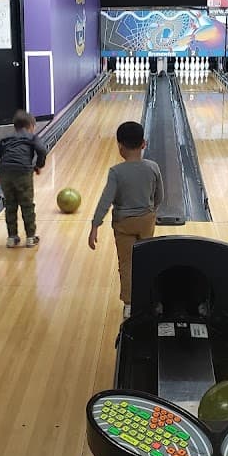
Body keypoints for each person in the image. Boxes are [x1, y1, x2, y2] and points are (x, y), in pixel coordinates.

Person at [88, 121, 164, 317]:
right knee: (147, 259)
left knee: (126, 263)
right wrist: (151, 210)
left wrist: (95, 225)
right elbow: (160, 196)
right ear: (144, 144)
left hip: (123, 224)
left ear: (120, 146)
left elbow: (106, 200)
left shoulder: (116, 172)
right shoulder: (153, 167)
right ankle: (149, 298)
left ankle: (130, 305)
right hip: (146, 220)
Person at [0, 110, 46, 247]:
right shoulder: (32, 138)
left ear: (15, 127)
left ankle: (12, 237)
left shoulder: (6, 139)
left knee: (10, 204)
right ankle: (30, 237)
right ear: (31, 126)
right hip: (22, 171)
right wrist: (39, 165)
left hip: (4, 172)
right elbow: (42, 150)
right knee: (27, 204)